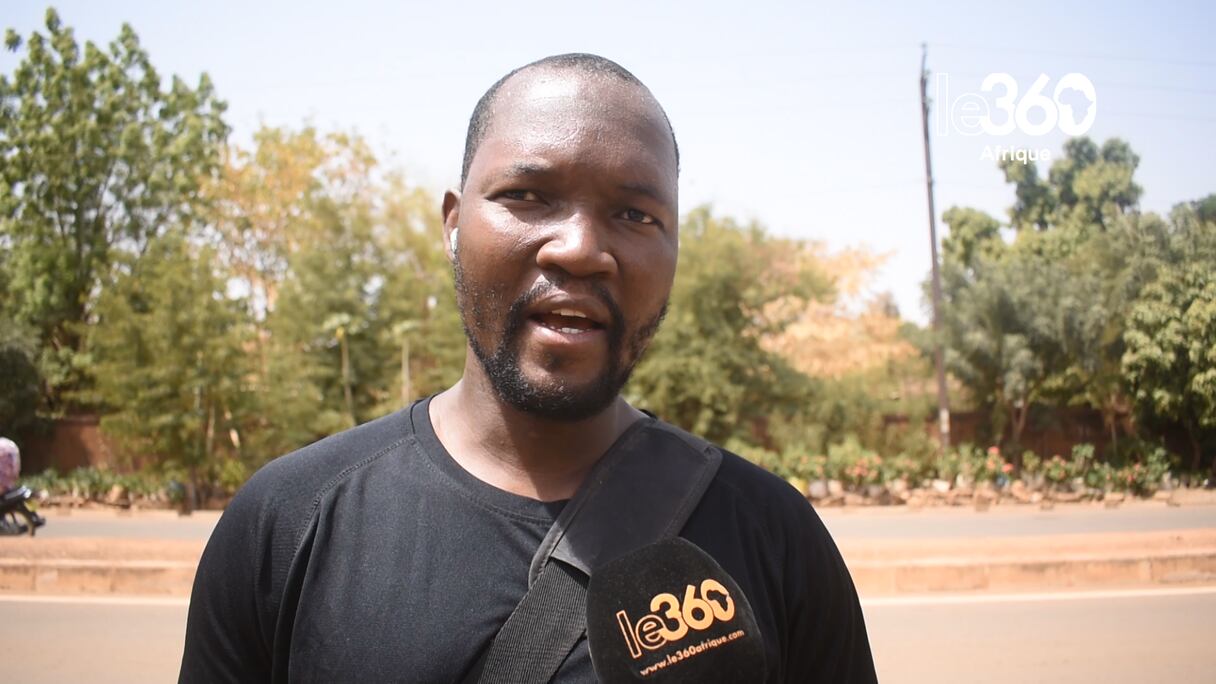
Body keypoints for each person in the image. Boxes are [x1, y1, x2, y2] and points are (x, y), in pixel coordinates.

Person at [180, 53, 876, 683]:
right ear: (453, 225)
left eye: (634, 214)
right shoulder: (287, 523)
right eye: (527, 196)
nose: (579, 249)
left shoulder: (775, 535)